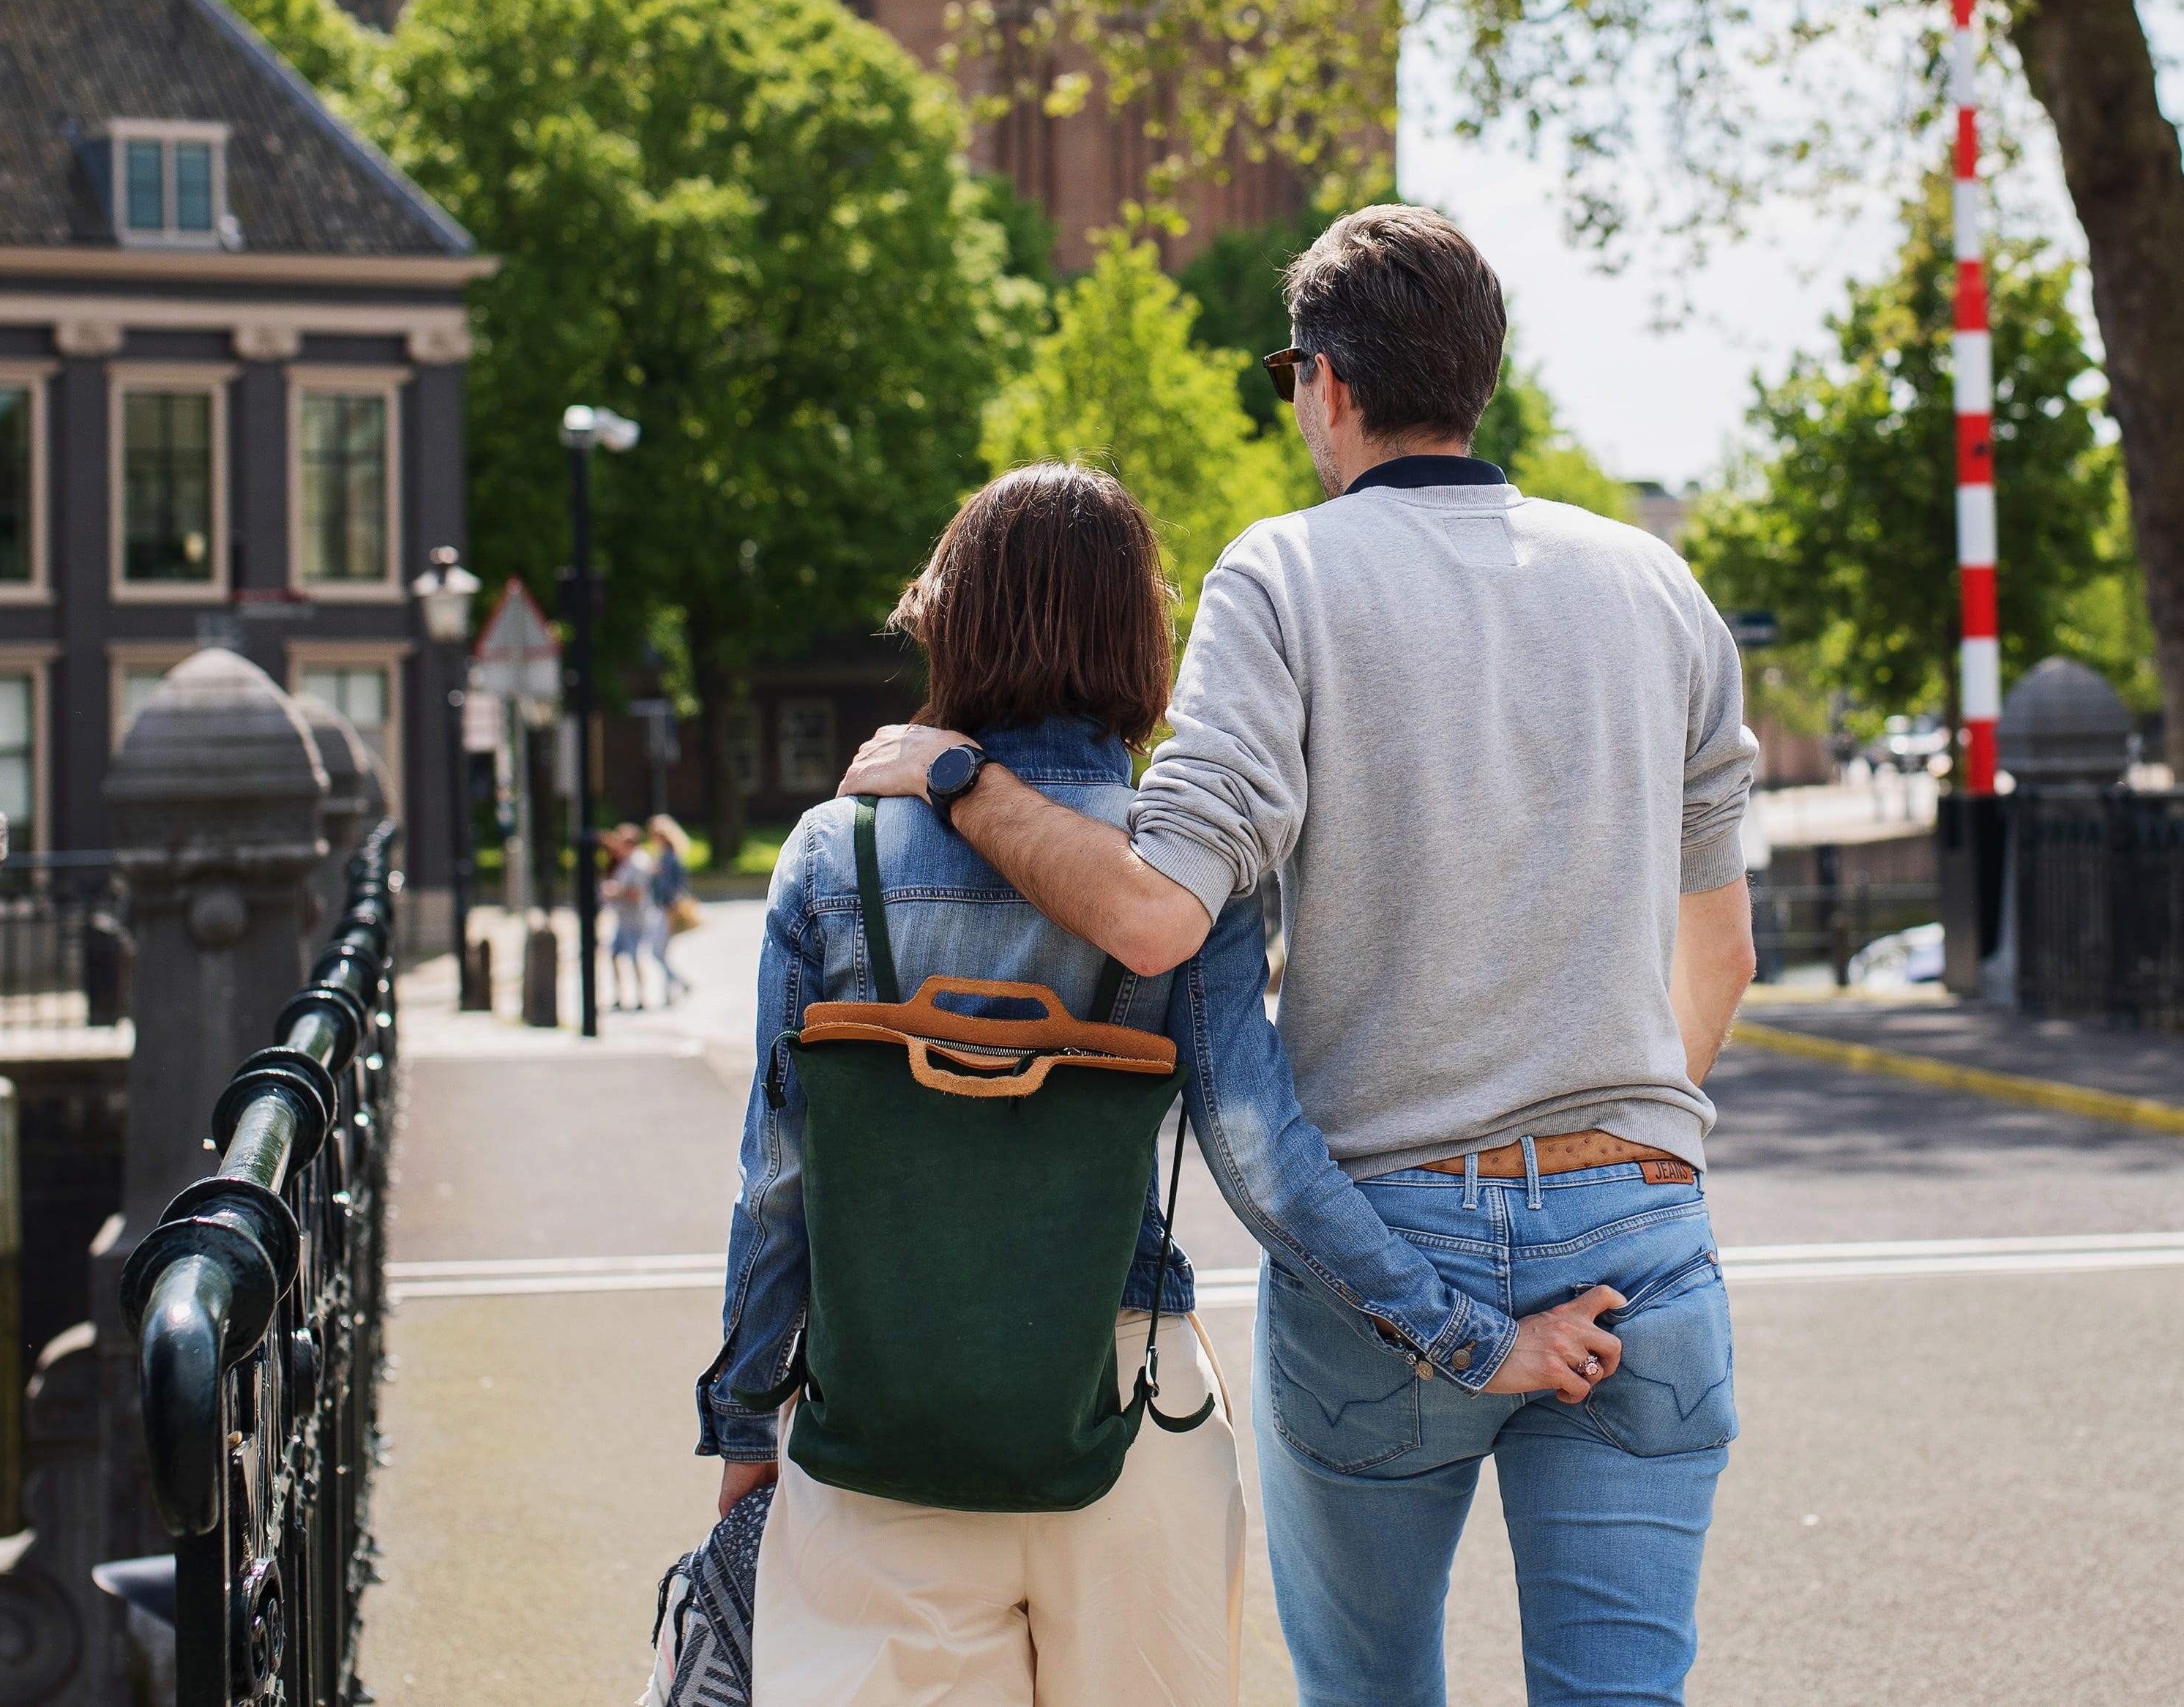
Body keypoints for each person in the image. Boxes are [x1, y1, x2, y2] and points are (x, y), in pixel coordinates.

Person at [843, 205, 1761, 1707]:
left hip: (1390, 1246)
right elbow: (1715, 952)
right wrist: (1616, 1147)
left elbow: (1153, 913)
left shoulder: (1284, 577)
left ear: (1322, 382)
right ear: (1476, 374)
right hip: (1638, 1239)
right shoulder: (1655, 586)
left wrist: (957, 773)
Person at [700, 462, 1628, 1706]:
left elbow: (780, 1175)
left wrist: (746, 1419)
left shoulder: (836, 849)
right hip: (1131, 1406)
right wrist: (1475, 1338)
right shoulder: (1179, 870)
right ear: (1140, 638)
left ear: (953, 617)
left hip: (882, 1418)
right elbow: (1261, 1155)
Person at [597, 823, 654, 1012]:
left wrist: (616, 892)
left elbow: (638, 893)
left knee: (635, 958)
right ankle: (620, 995)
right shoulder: (626, 860)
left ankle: (641, 997)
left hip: (635, 919)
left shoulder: (638, 862)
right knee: (615, 955)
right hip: (623, 919)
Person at [642, 812, 696, 1004]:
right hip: (660, 909)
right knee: (659, 953)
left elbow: (673, 887)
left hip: (666, 910)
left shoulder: (670, 859)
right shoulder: (663, 857)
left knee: (658, 953)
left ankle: (676, 987)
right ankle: (671, 990)